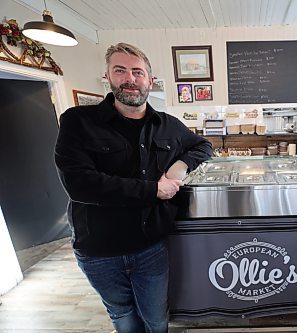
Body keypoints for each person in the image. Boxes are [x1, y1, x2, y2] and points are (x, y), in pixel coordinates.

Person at [55, 42, 212, 333]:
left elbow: (204, 146)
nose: (130, 78)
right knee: (122, 315)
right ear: (108, 77)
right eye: (120, 70)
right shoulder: (77, 122)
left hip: (150, 246)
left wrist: (179, 166)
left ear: (150, 80)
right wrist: (153, 190)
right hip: (99, 249)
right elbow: (80, 185)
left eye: (137, 72)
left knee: (155, 317)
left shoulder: (168, 124)